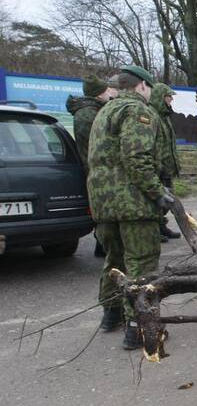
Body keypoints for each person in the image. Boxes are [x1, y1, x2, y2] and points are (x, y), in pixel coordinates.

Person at [86, 65, 172, 349]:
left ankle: (111, 314)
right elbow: (137, 158)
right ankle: (139, 329)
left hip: (104, 203)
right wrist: (158, 193)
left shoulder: (104, 111)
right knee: (142, 266)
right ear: (143, 86)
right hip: (133, 205)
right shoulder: (138, 111)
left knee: (115, 261)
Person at [66, 74, 118, 257]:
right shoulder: (88, 114)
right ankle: (103, 246)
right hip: (96, 169)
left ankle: (104, 245)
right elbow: (98, 144)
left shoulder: (93, 110)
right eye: (105, 91)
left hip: (97, 168)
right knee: (104, 209)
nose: (108, 94)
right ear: (98, 94)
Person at [149, 83, 182, 241]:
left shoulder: (165, 116)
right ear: (161, 97)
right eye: (169, 97)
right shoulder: (152, 115)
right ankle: (155, 230)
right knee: (158, 200)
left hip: (167, 166)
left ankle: (161, 226)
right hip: (158, 167)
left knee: (167, 200)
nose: (171, 100)